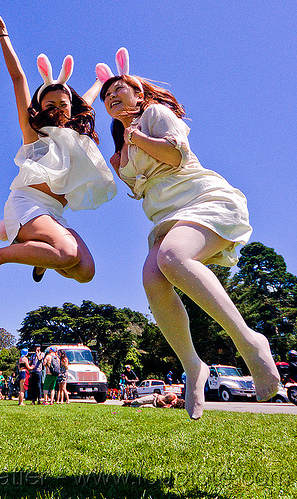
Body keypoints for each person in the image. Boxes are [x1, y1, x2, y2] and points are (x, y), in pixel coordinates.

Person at [96, 48, 280, 419]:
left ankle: (249, 341)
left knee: (173, 258)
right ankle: (193, 367)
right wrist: (120, 158)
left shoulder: (154, 114)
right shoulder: (123, 143)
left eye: (120, 90)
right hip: (166, 215)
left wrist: (136, 138)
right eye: (106, 98)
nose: (112, 98)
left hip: (202, 198)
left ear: (139, 93)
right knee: (153, 278)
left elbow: (177, 156)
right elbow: (138, 188)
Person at [0, 13, 117, 294]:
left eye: (64, 103)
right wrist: (3, 34)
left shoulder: (76, 138)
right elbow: (17, 77)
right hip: (27, 204)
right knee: (68, 253)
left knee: (86, 272)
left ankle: (40, 253)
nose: (58, 107)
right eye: (50, 103)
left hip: (54, 214)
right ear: (39, 106)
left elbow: (88, 102)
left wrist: (103, 83)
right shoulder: (34, 133)